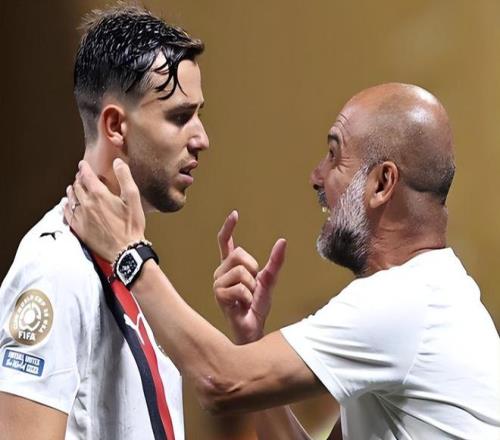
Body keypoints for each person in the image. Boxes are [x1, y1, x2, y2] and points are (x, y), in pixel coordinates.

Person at [68, 82, 500, 439]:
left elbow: (219, 382)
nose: (316, 175)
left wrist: (129, 254)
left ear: (382, 183)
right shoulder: (429, 295)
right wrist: (250, 340)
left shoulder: (402, 301)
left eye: (334, 155)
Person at [0, 5, 208, 439]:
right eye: (179, 117)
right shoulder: (54, 268)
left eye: (198, 114)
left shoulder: (130, 265)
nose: (201, 138)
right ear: (115, 126)